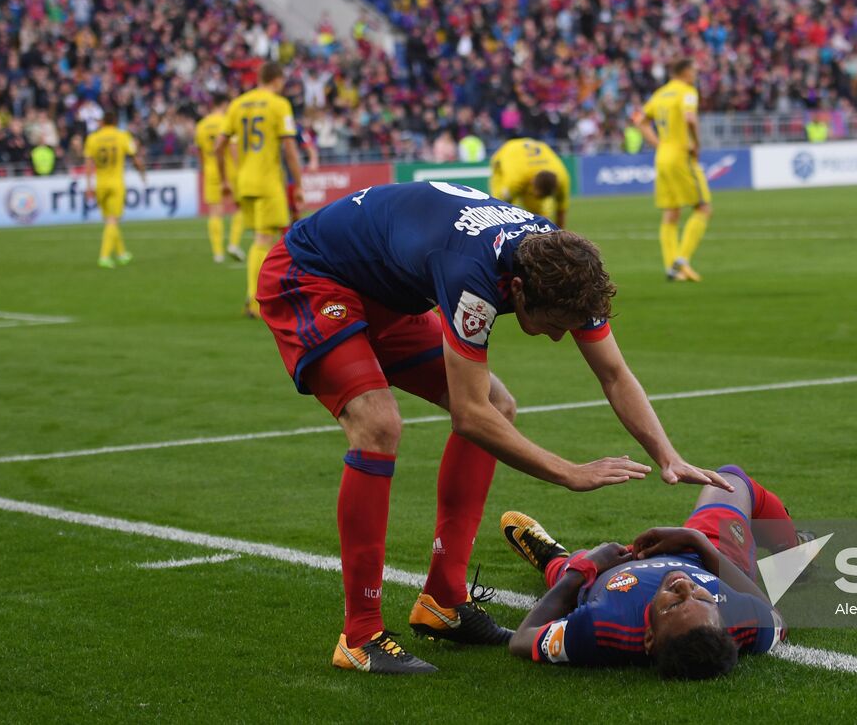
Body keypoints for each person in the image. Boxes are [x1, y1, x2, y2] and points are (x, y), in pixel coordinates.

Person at [255, 180, 731, 675]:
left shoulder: (567, 268)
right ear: (519, 292)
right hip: (311, 276)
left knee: (499, 405)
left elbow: (613, 372)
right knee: (378, 425)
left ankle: (443, 602)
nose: (557, 338)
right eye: (553, 324)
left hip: (386, 297)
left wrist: (667, 454)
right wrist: (567, 471)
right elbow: (467, 413)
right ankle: (360, 637)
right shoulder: (472, 276)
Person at [504, 463, 800, 678]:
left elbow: (521, 639)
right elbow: (777, 620)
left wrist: (584, 568)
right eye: (702, 598)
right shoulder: (735, 619)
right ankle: (795, 549)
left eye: (673, 605)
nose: (685, 587)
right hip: (703, 556)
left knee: (569, 573)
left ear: (648, 638)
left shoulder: (604, 625)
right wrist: (695, 541)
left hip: (607, 568)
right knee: (729, 479)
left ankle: (554, 558)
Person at [224, 62, 303, 317]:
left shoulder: (237, 104)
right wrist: (299, 183)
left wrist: (228, 179)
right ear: (278, 80)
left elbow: (219, 146)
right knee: (264, 240)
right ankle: (256, 302)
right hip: (268, 181)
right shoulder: (279, 105)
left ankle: (262, 296)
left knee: (263, 239)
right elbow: (290, 149)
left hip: (244, 181)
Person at [637, 59, 710, 282]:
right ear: (685, 71)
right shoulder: (687, 91)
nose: (696, 75)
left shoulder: (660, 94)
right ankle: (683, 259)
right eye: (694, 71)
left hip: (662, 156)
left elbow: (640, 121)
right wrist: (696, 143)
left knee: (671, 213)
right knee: (703, 208)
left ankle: (671, 266)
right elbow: (690, 118)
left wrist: (658, 144)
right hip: (680, 154)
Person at [83, 110, 146, 268]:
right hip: (116, 183)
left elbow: (89, 163)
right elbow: (135, 157)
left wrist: (89, 185)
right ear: (116, 122)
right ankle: (104, 256)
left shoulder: (93, 138)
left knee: (109, 220)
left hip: (100, 183)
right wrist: (142, 173)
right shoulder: (122, 136)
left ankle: (122, 254)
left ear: (102, 122)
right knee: (113, 220)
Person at [488, 137, 571, 227]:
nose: (536, 198)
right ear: (532, 182)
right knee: (502, 207)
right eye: (535, 195)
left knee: (542, 215)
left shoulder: (562, 178)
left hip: (529, 155)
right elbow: (501, 207)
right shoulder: (515, 180)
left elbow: (561, 210)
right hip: (504, 155)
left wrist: (560, 236)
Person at [196, 95, 235, 263]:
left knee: (214, 212)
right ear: (224, 104)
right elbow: (233, 148)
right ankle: (233, 243)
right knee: (239, 208)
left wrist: (205, 168)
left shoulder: (201, 125)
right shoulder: (226, 121)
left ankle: (217, 253)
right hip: (229, 170)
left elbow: (199, 153)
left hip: (210, 170)